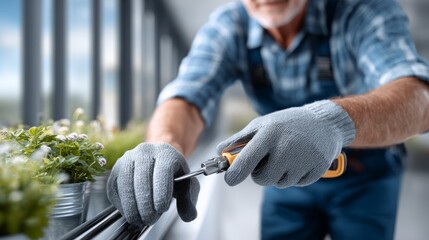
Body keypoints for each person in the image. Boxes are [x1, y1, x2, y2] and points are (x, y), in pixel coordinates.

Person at [107, 0, 429, 239]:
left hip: (365, 178)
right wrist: (162, 143)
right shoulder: (229, 27)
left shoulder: (361, 10)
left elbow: (419, 99)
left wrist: (333, 121)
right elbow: (187, 96)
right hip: (284, 177)